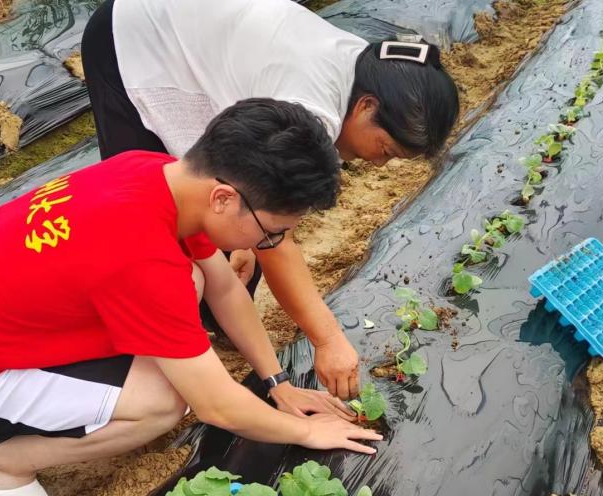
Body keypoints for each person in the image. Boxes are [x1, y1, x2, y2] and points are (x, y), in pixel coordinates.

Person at [0, 99, 382, 496]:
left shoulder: (157, 174)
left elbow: (223, 285)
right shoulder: (139, 259)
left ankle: (101, 388)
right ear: (222, 199)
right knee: (164, 403)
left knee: (193, 278)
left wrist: (277, 381)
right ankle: (1, 469)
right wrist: (305, 432)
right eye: (273, 231)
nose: (273, 242)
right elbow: (216, 408)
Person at [80, 0, 460, 401]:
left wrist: (244, 239)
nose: (380, 164)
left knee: (234, 222)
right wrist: (327, 339)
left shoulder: (369, 75)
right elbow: (274, 238)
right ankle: (142, 356)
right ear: (367, 107)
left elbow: (266, 220)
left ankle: (218, 322)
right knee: (158, 213)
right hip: (136, 38)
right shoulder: (308, 107)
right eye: (385, 150)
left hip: (204, 40)